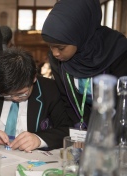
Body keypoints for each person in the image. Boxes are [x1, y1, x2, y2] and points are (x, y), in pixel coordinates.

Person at [41, 0, 127, 129]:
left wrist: (101, 133)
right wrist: (81, 129)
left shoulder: (116, 50)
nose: (55, 54)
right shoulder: (57, 58)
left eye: (60, 47)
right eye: (50, 47)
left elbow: (121, 101)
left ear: (80, 34)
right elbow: (66, 99)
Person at [0, 48, 72, 151]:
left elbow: (66, 129)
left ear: (34, 78)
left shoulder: (50, 90)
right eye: (7, 95)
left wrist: (38, 139)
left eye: (21, 94)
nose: (14, 99)